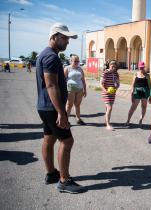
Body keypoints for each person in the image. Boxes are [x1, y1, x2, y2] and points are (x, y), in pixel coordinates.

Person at [36, 23, 84, 193]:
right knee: (67, 140)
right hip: (51, 108)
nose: (68, 42)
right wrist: (61, 112)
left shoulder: (45, 54)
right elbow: (51, 85)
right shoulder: (51, 57)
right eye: (65, 38)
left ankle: (51, 174)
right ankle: (64, 180)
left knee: (49, 139)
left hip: (44, 106)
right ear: (54, 36)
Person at [125, 61, 151, 126]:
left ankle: (140, 120)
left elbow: (150, 86)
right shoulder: (135, 74)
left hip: (145, 92)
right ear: (138, 67)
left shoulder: (147, 75)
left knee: (144, 107)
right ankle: (128, 120)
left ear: (144, 67)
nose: (141, 69)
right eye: (140, 67)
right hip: (137, 92)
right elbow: (132, 85)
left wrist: (150, 96)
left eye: (142, 67)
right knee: (133, 107)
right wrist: (132, 94)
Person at [64, 55, 87, 125]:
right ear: (71, 61)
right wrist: (63, 90)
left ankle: (78, 119)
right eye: (75, 61)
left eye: (78, 61)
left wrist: (85, 89)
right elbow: (63, 80)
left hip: (80, 89)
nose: (77, 62)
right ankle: (65, 120)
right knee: (69, 105)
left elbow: (83, 80)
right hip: (70, 89)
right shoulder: (67, 68)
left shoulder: (80, 69)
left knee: (77, 104)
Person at [100, 60, 120, 130]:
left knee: (108, 108)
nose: (113, 67)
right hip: (106, 93)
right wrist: (106, 91)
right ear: (109, 65)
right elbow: (101, 84)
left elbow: (118, 83)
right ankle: (108, 125)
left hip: (112, 93)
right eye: (112, 66)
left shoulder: (116, 73)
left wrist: (116, 89)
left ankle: (106, 121)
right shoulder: (105, 72)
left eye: (114, 66)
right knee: (109, 108)